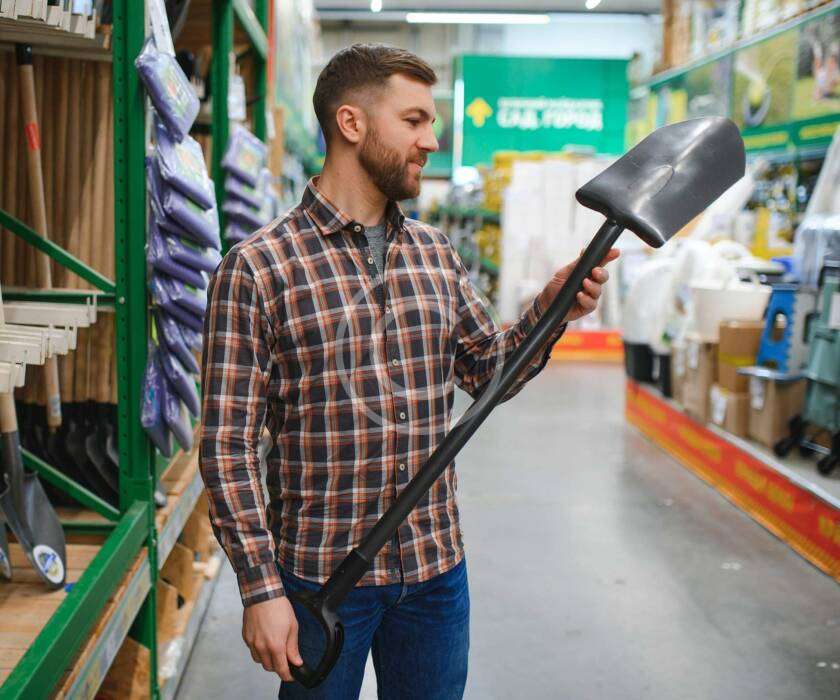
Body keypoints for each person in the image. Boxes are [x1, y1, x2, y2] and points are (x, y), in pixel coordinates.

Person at [199, 43, 618, 699]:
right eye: (414, 120)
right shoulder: (258, 268)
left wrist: (551, 308)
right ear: (352, 123)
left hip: (433, 571)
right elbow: (227, 444)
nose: (432, 140)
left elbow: (487, 372)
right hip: (321, 577)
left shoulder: (434, 253)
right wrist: (259, 588)